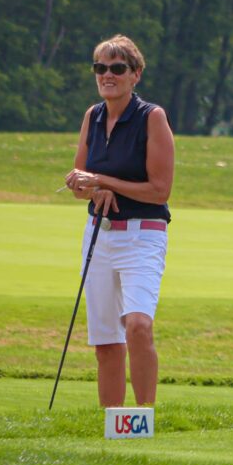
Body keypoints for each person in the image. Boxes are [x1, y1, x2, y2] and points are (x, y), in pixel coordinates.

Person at [63, 35, 175, 408]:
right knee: (106, 342)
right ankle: (111, 427)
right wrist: (87, 187)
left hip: (143, 237)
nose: (107, 75)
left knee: (138, 327)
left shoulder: (151, 117)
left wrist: (103, 182)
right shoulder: (92, 117)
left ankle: (144, 418)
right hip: (100, 236)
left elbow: (160, 190)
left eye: (117, 68)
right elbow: (82, 179)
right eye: (100, 68)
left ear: (135, 74)